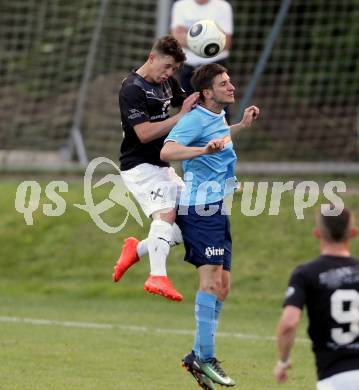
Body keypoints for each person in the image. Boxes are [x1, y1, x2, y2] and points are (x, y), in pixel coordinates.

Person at [160, 63, 259, 389]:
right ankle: (205, 357)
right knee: (210, 283)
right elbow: (167, 151)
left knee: (223, 287)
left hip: (218, 208)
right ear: (207, 92)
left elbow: (217, 137)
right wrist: (203, 150)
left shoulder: (215, 117)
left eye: (229, 81)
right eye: (224, 83)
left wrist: (240, 125)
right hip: (199, 210)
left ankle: (196, 356)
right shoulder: (194, 119)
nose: (231, 87)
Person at [113, 35, 199, 302]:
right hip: (138, 167)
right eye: (167, 67)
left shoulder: (167, 83)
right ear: (152, 57)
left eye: (174, 69)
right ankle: (157, 276)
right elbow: (145, 133)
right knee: (165, 215)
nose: (170, 74)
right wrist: (180, 116)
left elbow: (190, 106)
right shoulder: (132, 88)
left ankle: (136, 250)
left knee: (193, 221)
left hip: (162, 166)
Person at [274, 207, 359, 390]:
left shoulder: (307, 274)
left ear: (317, 233)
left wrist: (283, 361)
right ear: (353, 233)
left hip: (335, 378)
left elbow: (289, 324)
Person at [171, 0, 234, 95]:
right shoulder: (180, 5)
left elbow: (226, 43)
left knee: (217, 108)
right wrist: (210, 37)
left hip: (215, 69)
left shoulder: (223, 6)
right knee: (188, 107)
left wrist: (189, 33)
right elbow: (176, 39)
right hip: (187, 68)